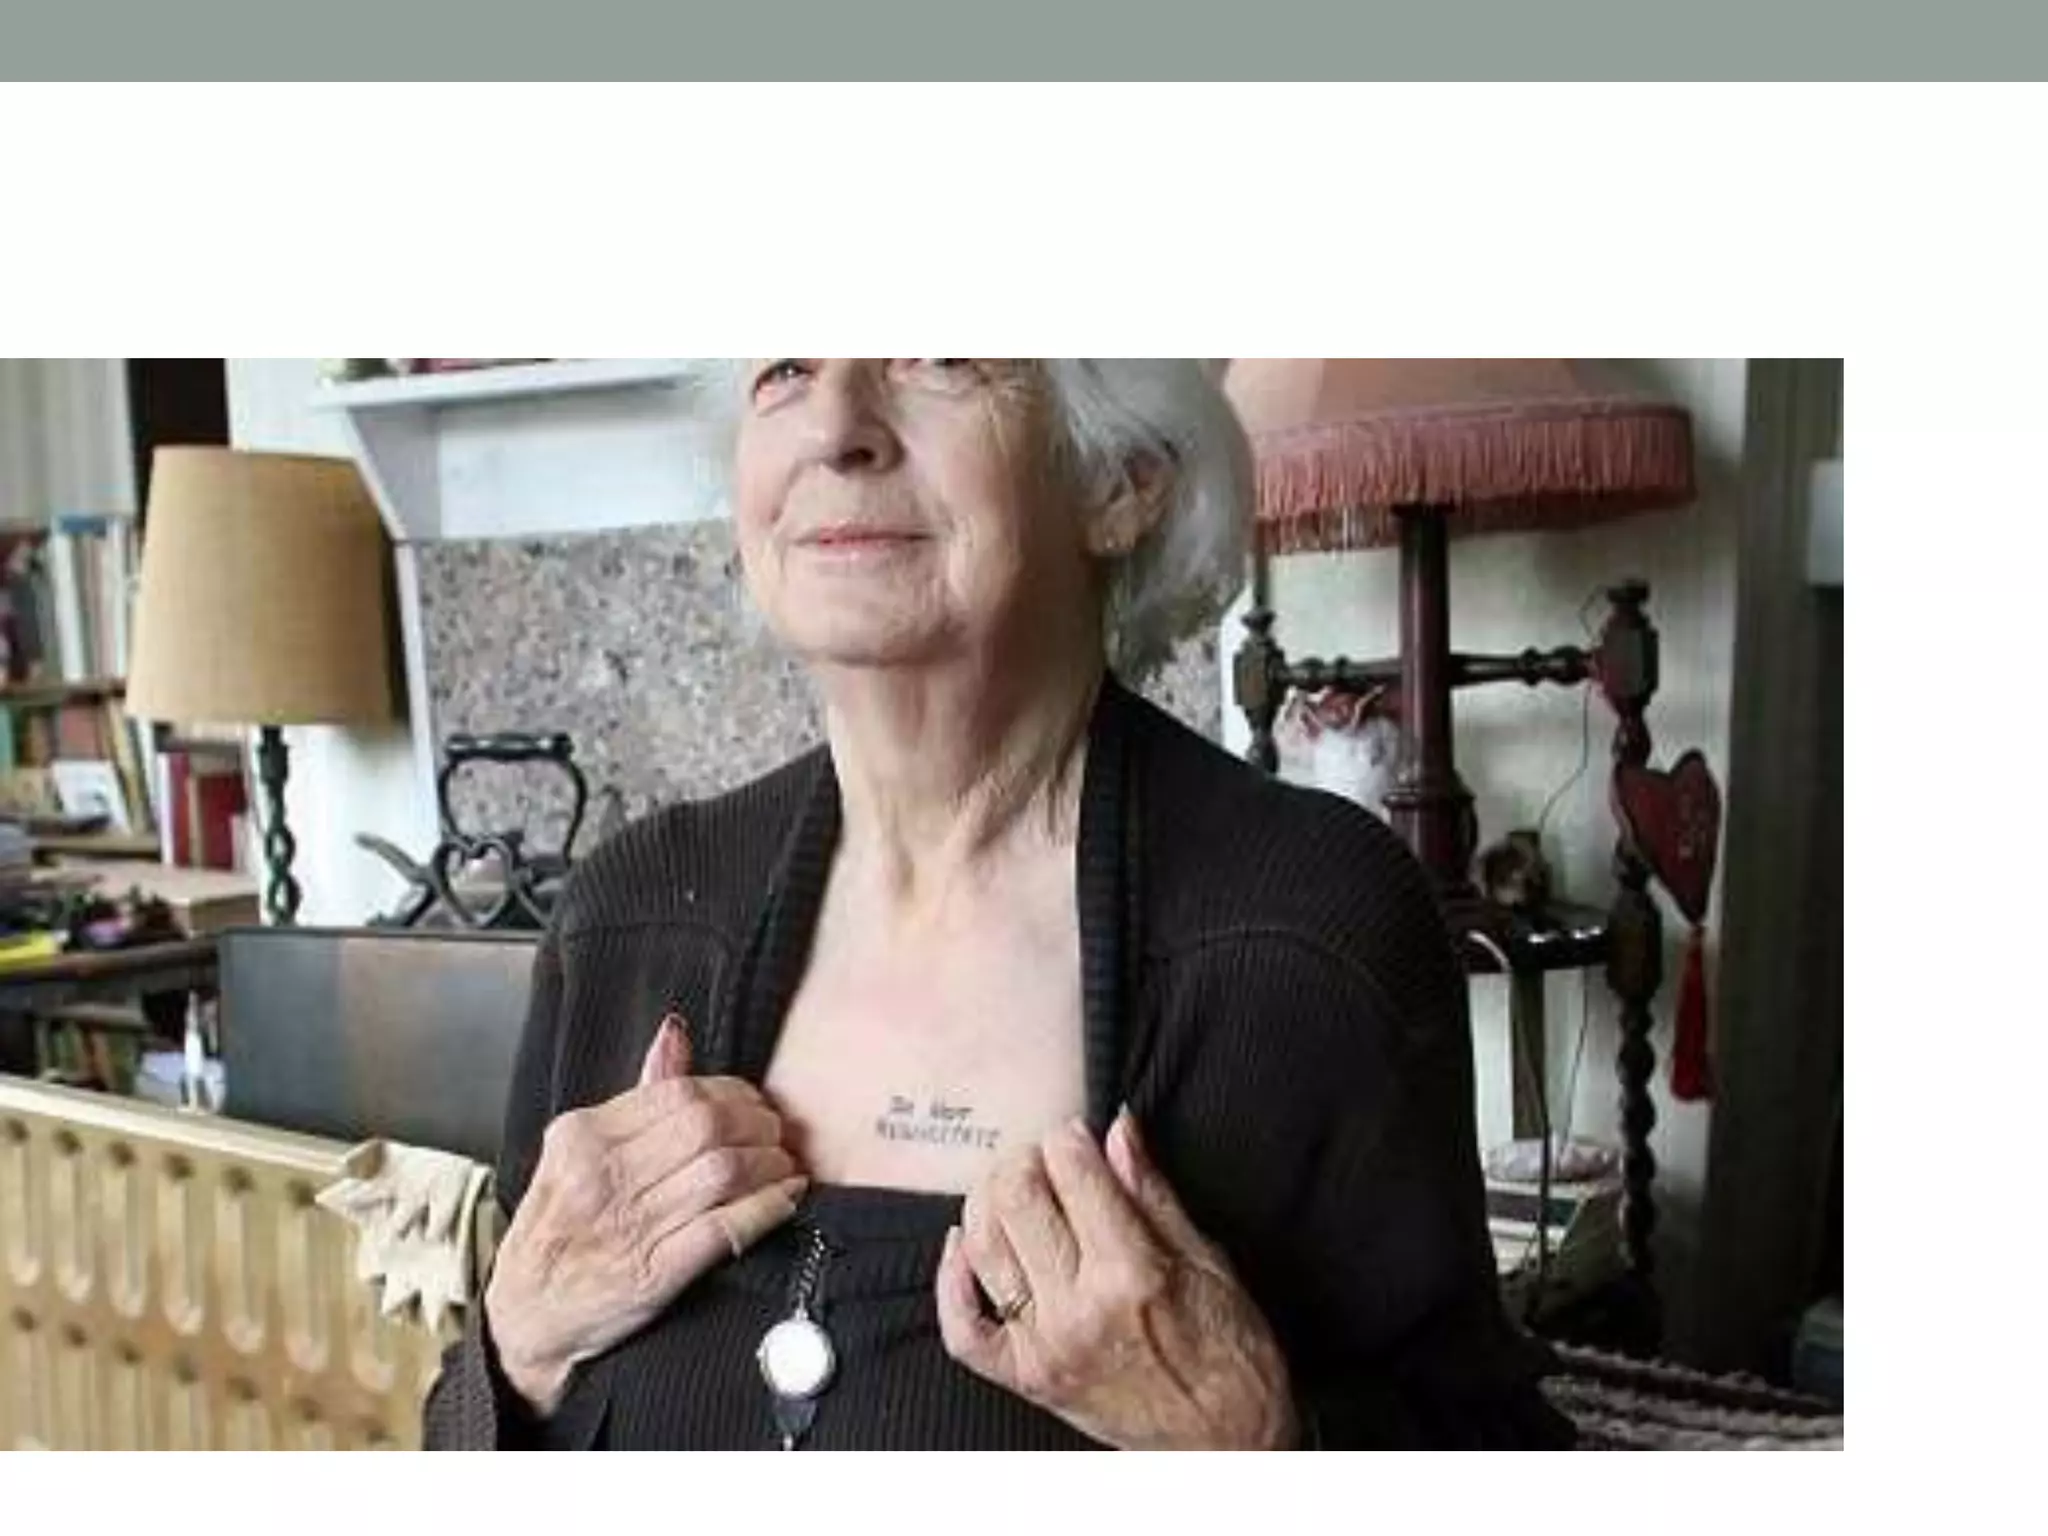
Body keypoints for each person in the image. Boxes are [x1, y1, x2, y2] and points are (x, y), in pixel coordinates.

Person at [424, 359, 1572, 1449]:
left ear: (1119, 481)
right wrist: (514, 1350)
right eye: (784, 372)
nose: (834, 428)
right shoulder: (626, 918)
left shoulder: (1311, 929)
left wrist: (1253, 1442)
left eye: (940, 357)